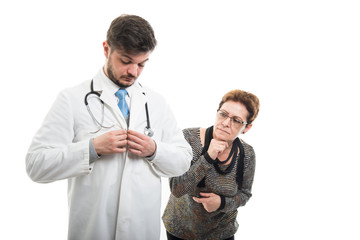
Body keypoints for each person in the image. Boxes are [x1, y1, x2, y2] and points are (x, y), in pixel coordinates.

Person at [25, 14, 192, 240]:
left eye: (141, 64)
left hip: (140, 231)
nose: (133, 71)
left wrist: (154, 150)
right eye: (126, 61)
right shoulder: (71, 99)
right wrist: (92, 149)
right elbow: (36, 165)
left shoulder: (156, 103)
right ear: (106, 49)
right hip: (93, 230)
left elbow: (183, 160)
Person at [162, 89, 259, 240]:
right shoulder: (188, 138)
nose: (226, 123)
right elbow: (177, 189)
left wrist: (221, 203)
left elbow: (245, 194)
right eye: (223, 114)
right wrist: (208, 157)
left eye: (236, 120)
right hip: (180, 230)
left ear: (246, 127)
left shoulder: (247, 154)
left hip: (222, 233)